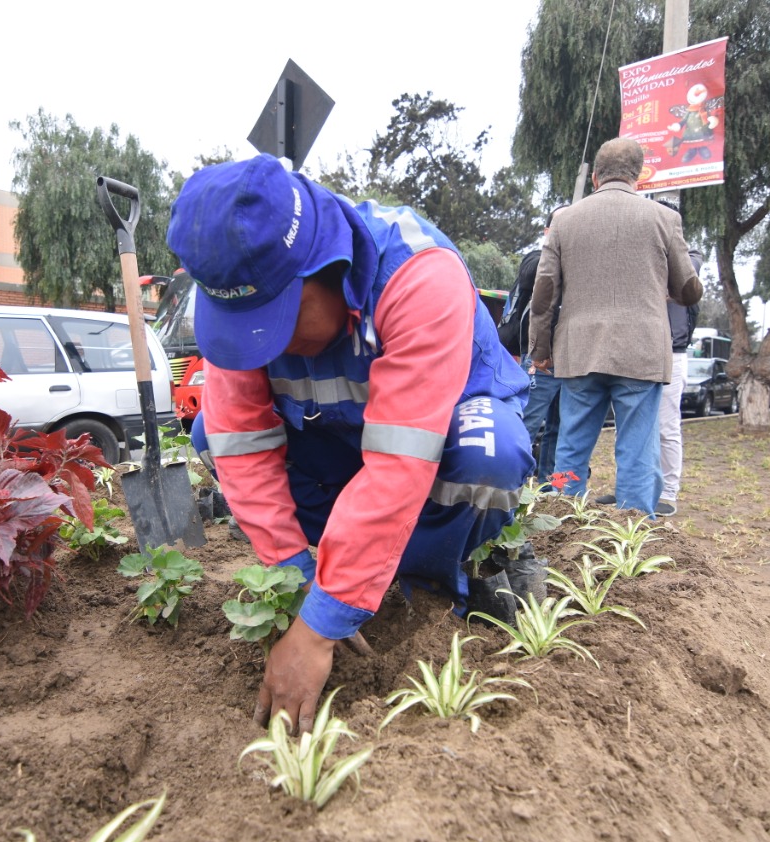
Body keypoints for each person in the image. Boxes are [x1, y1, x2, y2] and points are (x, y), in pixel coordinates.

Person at [166, 154, 535, 733]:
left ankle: (439, 579)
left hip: (434, 434)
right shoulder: (239, 279)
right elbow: (242, 450)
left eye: (276, 321)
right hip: (332, 434)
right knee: (211, 434)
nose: (261, 348)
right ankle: (349, 572)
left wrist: (318, 629)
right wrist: (297, 585)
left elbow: (397, 465)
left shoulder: (418, 274)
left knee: (492, 455)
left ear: (327, 267)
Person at [527, 137, 703, 515]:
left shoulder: (565, 220)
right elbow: (689, 290)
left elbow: (543, 293)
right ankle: (634, 532)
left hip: (579, 350)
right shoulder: (664, 219)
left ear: (594, 178)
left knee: (570, 446)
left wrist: (540, 351)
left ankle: (560, 517)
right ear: (638, 177)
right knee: (637, 448)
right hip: (641, 351)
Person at [596, 200, 704, 517]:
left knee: (666, 428)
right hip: (635, 347)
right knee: (629, 426)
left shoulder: (690, 256)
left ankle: (668, 491)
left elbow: (682, 278)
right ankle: (629, 487)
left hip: (672, 351)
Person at [498, 209, 569, 486]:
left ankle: (553, 489)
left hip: (572, 358)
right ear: (547, 231)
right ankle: (508, 487)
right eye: (560, 225)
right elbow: (531, 275)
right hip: (540, 358)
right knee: (526, 423)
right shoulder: (536, 258)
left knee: (561, 430)